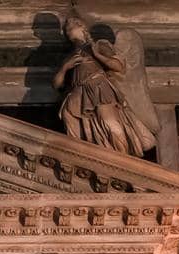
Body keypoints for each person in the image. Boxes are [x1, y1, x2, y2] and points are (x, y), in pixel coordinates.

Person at [53, 15, 155, 157]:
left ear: (83, 27)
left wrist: (97, 55)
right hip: (79, 91)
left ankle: (122, 158)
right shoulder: (69, 56)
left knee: (109, 122)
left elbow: (118, 66)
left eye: (72, 25)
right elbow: (57, 84)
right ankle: (84, 154)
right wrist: (65, 67)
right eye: (66, 29)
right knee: (67, 114)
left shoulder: (99, 45)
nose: (68, 29)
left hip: (98, 87)